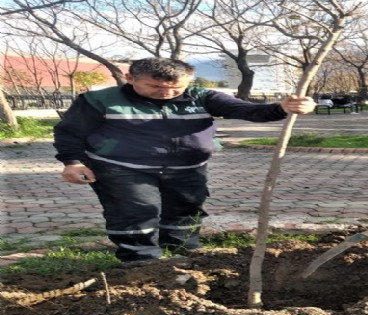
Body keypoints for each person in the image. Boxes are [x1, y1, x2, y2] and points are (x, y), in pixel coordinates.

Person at [54, 58, 315, 264]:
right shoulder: (100, 100)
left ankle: (181, 252)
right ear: (130, 78)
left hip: (187, 168)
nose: (167, 93)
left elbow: (248, 110)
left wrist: (283, 108)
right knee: (135, 212)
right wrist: (72, 162)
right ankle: (140, 261)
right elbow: (69, 132)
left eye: (176, 88)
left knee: (186, 209)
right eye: (155, 87)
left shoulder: (201, 97)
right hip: (122, 169)